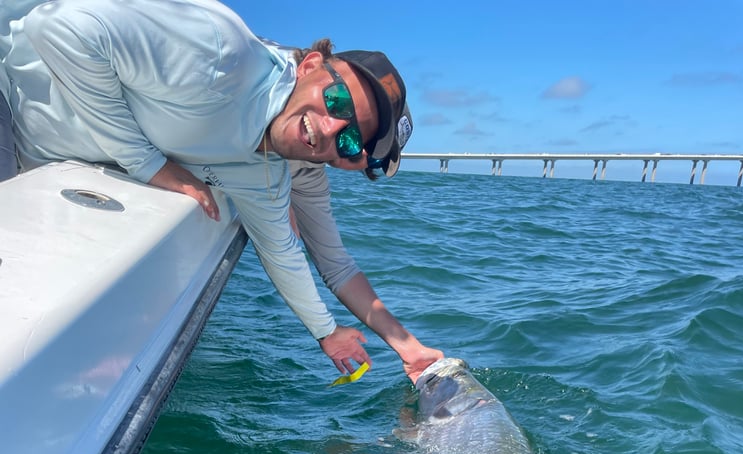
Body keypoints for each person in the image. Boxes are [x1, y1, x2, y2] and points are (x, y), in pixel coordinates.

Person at [0, 0, 443, 383]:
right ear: (309, 65)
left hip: (38, 150)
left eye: (352, 144)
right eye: (337, 102)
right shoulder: (220, 52)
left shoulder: (266, 172)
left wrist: (330, 333)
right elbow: (55, 27)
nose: (329, 129)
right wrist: (150, 165)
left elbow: (284, 251)